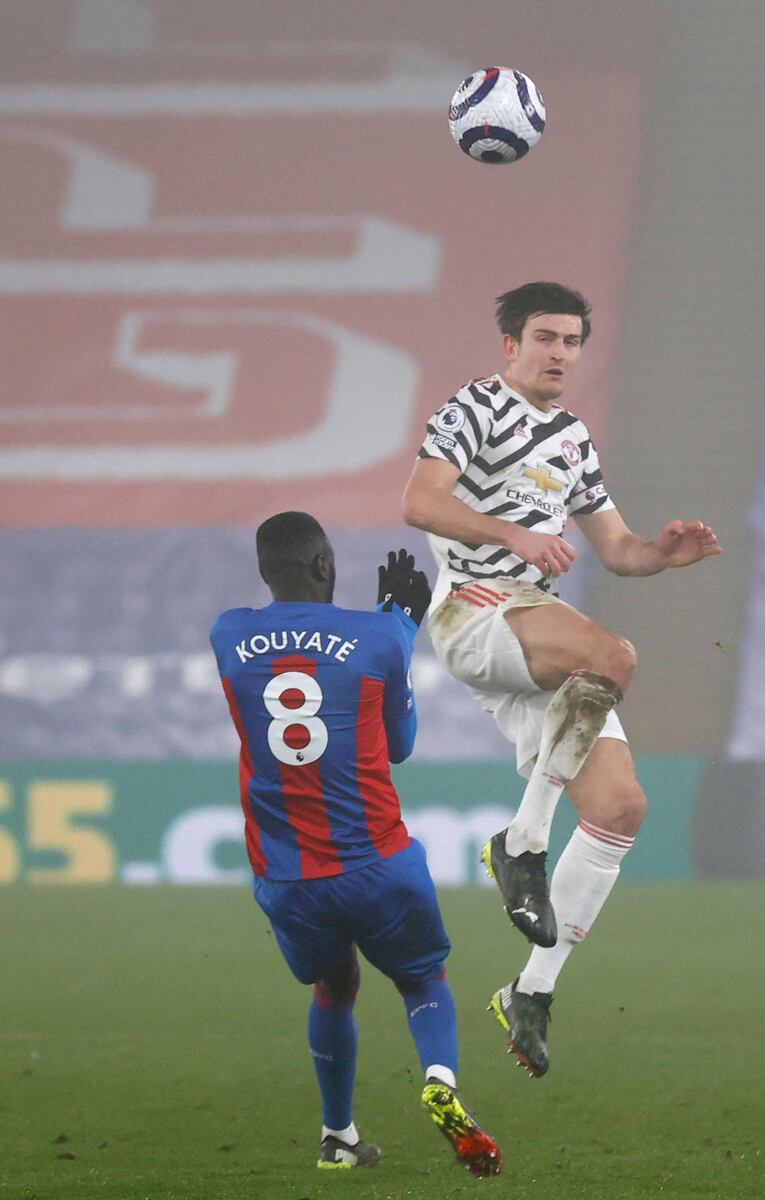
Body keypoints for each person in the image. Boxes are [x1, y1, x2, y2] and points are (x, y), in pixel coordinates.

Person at [401, 281, 721, 1078]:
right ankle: (523, 839)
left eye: (573, 341)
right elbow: (419, 502)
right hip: (478, 613)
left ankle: (530, 991)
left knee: (620, 809)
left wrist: (659, 553)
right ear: (510, 344)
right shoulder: (473, 408)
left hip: (537, 637)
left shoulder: (574, 438)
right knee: (612, 656)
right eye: (545, 337)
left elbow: (616, 549)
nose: (559, 353)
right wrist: (509, 532)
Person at [209, 512, 501, 1176]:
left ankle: (337, 1136)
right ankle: (441, 1080)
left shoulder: (227, 634)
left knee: (335, 985)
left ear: (264, 570)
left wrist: (386, 630)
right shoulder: (378, 637)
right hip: (378, 862)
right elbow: (398, 747)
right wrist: (401, 625)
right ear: (323, 566)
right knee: (423, 976)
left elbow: (288, 652)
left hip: (289, 878)